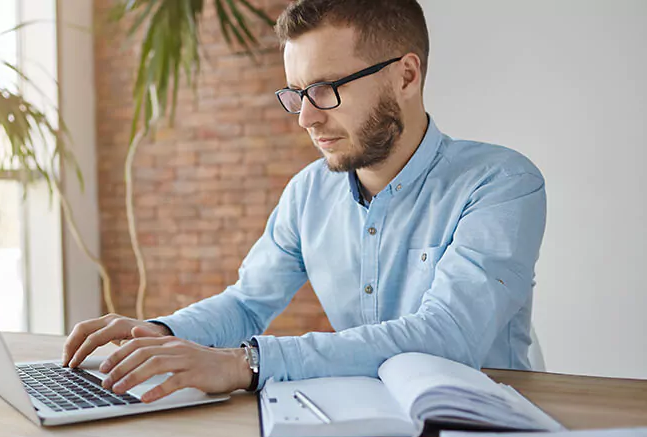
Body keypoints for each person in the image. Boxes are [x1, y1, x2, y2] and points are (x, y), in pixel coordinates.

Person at [62, 0, 546, 404]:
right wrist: (160, 333)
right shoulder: (308, 192)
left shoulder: (500, 182)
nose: (306, 119)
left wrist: (247, 363)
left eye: (326, 89)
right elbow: (248, 303)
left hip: (486, 423)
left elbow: (447, 336)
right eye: (296, 95)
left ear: (406, 76)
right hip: (359, 415)